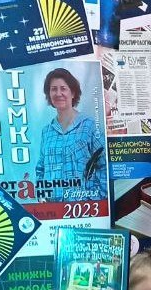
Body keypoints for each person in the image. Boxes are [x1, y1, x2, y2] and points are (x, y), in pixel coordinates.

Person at [35, 68, 107, 203]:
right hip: (53, 209)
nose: (58, 93)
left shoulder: (89, 125)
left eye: (63, 88)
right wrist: (41, 196)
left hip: (83, 208)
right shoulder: (47, 131)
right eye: (53, 89)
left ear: (73, 93)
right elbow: (41, 169)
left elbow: (104, 164)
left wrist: (95, 198)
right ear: (49, 94)